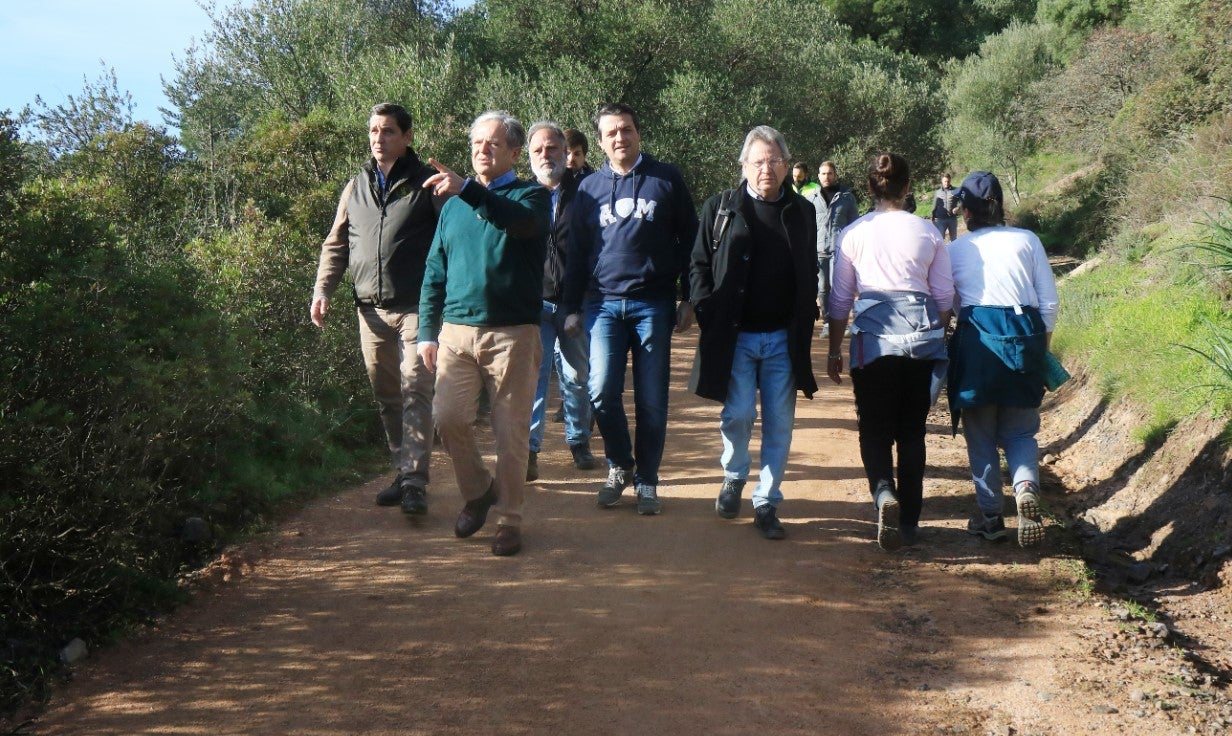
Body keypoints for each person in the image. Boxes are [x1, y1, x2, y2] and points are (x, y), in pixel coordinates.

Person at [416, 111, 550, 556]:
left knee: (510, 434)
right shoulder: (452, 206)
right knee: (448, 417)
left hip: (513, 334)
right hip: (456, 332)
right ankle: (478, 492)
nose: (482, 150)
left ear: (514, 152)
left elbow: (519, 223)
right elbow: (435, 270)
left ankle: (510, 519)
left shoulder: (531, 195)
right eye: (476, 143)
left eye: (492, 143)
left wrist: (468, 190)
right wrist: (427, 333)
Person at [562, 102, 698, 515]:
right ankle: (620, 464)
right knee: (601, 391)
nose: (619, 138)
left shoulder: (666, 179)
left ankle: (647, 482)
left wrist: (688, 296)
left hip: (652, 304)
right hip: (601, 305)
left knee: (652, 401)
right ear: (601, 142)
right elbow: (576, 252)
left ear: (638, 132)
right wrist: (570, 306)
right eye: (611, 133)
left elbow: (691, 241)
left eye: (626, 129)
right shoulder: (587, 189)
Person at [689, 126, 819, 540]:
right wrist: (706, 308)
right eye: (758, 161)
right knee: (739, 413)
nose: (767, 168)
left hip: (783, 337)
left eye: (775, 161)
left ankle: (767, 501)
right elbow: (698, 265)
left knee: (780, 422)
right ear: (743, 165)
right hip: (736, 336)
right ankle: (733, 474)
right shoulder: (720, 208)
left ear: (787, 167)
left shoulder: (804, 212)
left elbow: (809, 269)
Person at [311, 102, 440, 515]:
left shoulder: (427, 184)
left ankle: (416, 482)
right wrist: (323, 290)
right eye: (373, 131)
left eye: (387, 132)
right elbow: (337, 243)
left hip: (417, 308)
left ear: (406, 137)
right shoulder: (357, 185)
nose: (378, 139)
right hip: (369, 310)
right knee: (387, 396)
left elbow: (452, 239)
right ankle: (401, 472)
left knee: (415, 390)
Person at [827, 152, 953, 551]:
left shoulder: (854, 234)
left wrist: (834, 350)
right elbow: (945, 295)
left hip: (872, 344)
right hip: (919, 341)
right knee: (912, 431)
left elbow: (840, 300)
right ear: (908, 186)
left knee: (875, 429)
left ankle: (883, 494)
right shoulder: (928, 232)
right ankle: (911, 522)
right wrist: (938, 332)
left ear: (869, 187)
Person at [947, 170, 1058, 548]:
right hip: (1024, 335)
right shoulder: (1028, 240)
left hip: (977, 338)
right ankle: (1026, 486)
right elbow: (1048, 302)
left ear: (966, 212)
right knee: (1020, 431)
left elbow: (950, 304)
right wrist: (1040, 350)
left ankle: (991, 518)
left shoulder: (957, 250)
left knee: (979, 435)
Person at [525, 121, 598, 481]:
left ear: (565, 154)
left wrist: (583, 300)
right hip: (534, 303)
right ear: (528, 156)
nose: (547, 156)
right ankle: (529, 451)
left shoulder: (587, 192)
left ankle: (579, 442)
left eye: (553, 149)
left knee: (576, 376)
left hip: (575, 302)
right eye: (538, 150)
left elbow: (598, 248)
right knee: (533, 379)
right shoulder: (523, 195)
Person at [806, 160, 859, 333]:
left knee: (840, 288)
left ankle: (843, 322)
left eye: (830, 173)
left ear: (835, 175)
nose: (826, 176)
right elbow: (806, 226)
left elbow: (854, 225)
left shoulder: (847, 197)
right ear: (818, 176)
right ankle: (828, 323)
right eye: (823, 173)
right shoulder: (811, 198)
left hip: (840, 250)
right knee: (823, 288)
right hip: (818, 250)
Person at [931, 173, 960, 242]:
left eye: (948, 181)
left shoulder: (956, 190)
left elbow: (961, 202)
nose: (947, 183)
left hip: (952, 219)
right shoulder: (937, 192)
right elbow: (934, 205)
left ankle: (954, 252)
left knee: (954, 239)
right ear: (942, 181)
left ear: (950, 181)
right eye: (945, 181)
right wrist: (933, 217)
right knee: (940, 239)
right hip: (941, 219)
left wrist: (958, 207)